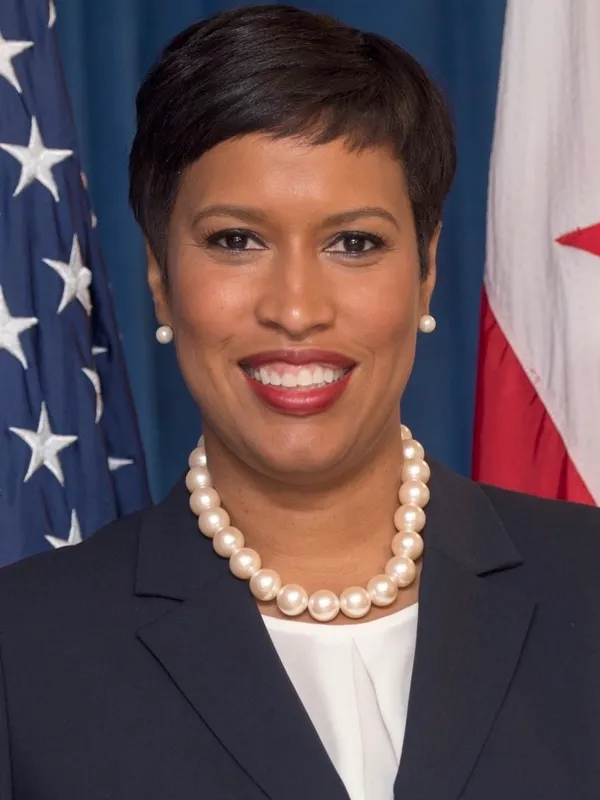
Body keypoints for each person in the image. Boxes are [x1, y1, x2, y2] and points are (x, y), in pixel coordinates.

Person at [1, 4, 599, 799]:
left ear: (425, 271)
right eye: (235, 241)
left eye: (354, 243)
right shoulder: (23, 649)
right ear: (159, 278)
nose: (295, 308)